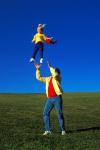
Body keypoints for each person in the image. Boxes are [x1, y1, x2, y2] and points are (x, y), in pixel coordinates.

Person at [34, 62, 66, 135]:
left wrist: (50, 67)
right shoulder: (48, 79)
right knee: (45, 113)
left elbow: (54, 75)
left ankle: (63, 130)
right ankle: (48, 130)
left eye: (55, 71)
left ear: (57, 72)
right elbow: (38, 78)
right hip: (49, 99)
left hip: (57, 98)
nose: (53, 72)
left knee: (59, 114)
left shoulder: (58, 77)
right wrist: (38, 69)